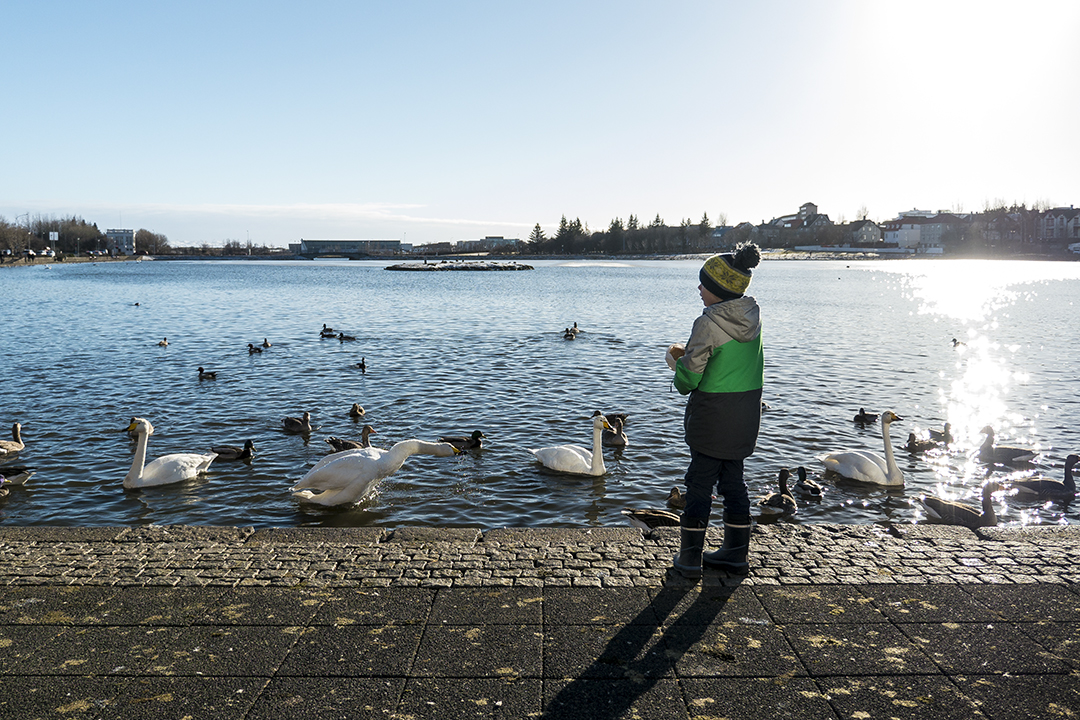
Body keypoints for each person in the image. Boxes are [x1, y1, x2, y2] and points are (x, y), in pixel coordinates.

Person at [666, 242, 764, 578]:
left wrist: (674, 362)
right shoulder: (753, 319)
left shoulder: (707, 323)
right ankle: (736, 553)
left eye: (704, 284)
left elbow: (689, 379)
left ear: (718, 290)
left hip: (712, 417)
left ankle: (690, 558)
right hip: (745, 417)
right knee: (735, 483)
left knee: (699, 483)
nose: (699, 289)